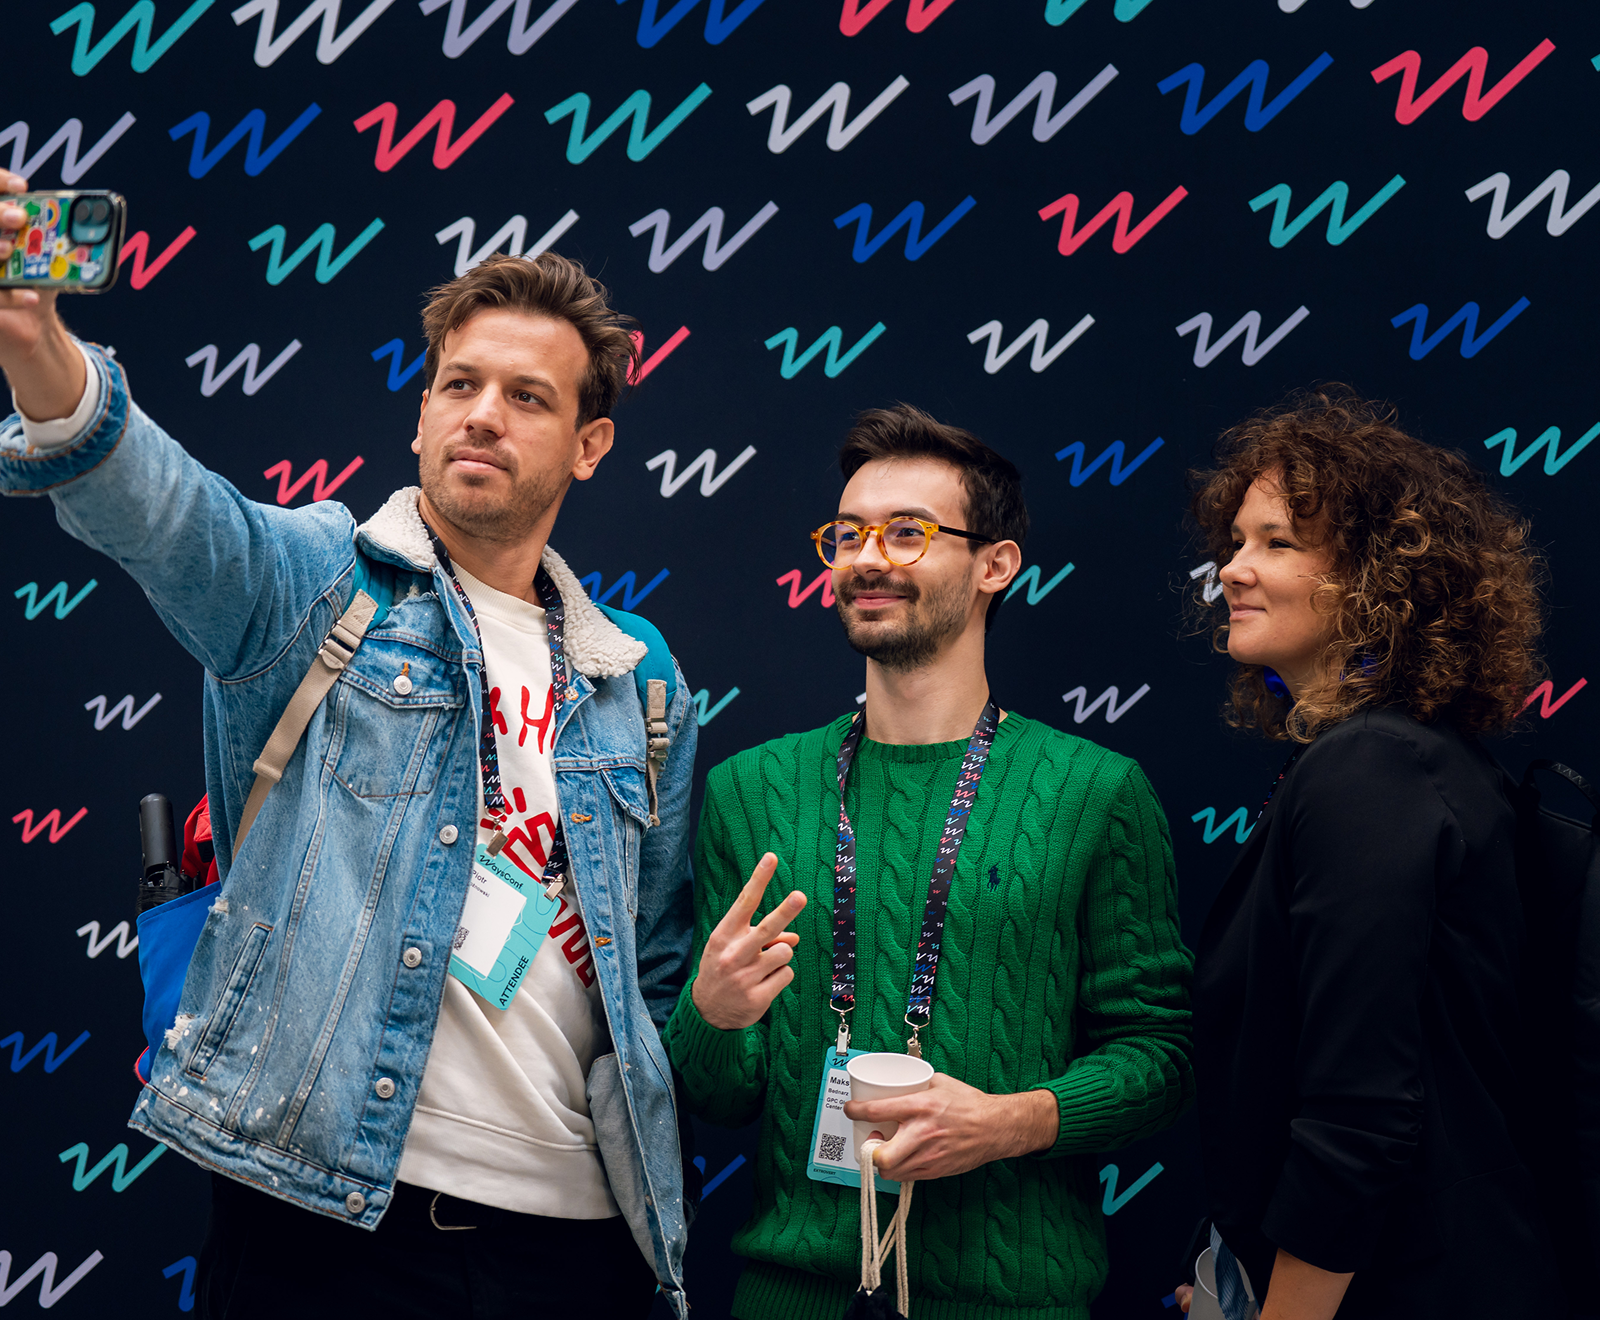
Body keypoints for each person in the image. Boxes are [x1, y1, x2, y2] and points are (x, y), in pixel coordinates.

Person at [0, 168, 696, 1320]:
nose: (482, 411)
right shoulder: (314, 584)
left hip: (585, 1244)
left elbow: (652, 970)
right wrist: (34, 340)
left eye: (528, 396)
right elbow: (159, 505)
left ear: (590, 444)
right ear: (419, 412)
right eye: (459, 383)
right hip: (326, 1227)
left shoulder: (641, 675)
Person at [663, 403, 1195, 1320]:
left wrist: (1004, 1123)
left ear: (995, 564)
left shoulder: (1093, 792)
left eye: (908, 533)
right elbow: (720, 1094)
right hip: (788, 1297)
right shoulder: (753, 789)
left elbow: (1161, 1058)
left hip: (1009, 1300)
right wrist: (709, 1015)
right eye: (849, 534)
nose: (869, 559)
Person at [1179, 388, 1562, 1319]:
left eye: (1276, 542)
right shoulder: (1394, 759)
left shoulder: (1374, 770)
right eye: (1233, 542)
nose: (1232, 569)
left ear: (1380, 578)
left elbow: (1359, 1120)